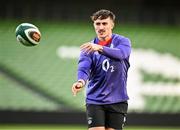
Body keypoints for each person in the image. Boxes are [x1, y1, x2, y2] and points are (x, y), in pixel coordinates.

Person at [72, 9, 131, 130]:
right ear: (94, 25)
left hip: (118, 99)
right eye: (97, 24)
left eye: (104, 23)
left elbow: (121, 54)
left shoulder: (123, 41)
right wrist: (80, 81)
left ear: (112, 25)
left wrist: (99, 48)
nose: (101, 27)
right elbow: (84, 67)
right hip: (95, 99)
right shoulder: (88, 48)